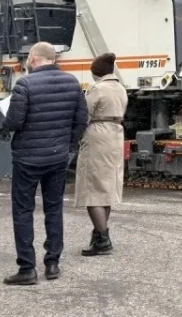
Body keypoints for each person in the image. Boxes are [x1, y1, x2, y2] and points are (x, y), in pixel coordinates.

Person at [1, 41, 87, 285]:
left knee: (23, 211)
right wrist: (68, 146)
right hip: (57, 157)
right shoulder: (72, 82)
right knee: (53, 208)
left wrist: (5, 125)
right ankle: (52, 263)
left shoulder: (25, 84)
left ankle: (27, 268)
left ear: (34, 58)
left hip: (27, 158)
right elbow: (81, 119)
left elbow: (15, 121)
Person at [74, 53, 128, 256]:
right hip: (115, 134)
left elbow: (84, 114)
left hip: (98, 135)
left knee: (92, 189)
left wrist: (75, 136)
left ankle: (102, 238)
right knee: (106, 188)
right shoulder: (120, 88)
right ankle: (99, 235)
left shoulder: (97, 88)